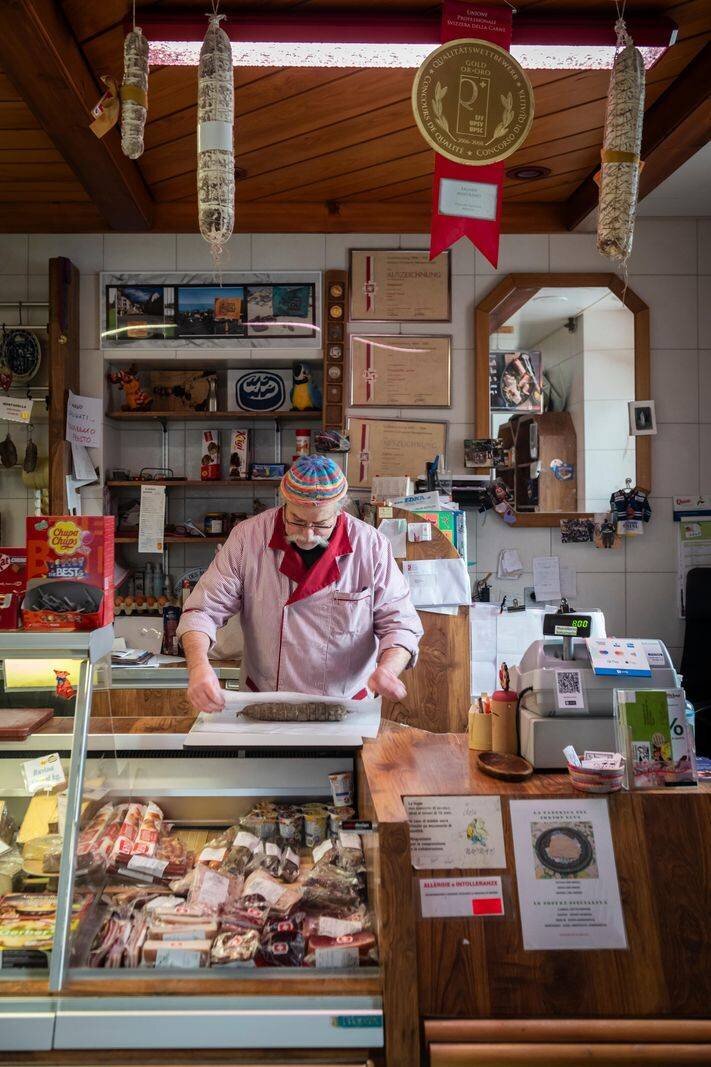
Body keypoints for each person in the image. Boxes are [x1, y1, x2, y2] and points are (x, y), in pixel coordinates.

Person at [177, 455, 424, 713]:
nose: (307, 535)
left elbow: (400, 624)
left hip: (344, 708)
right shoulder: (247, 538)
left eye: (320, 524)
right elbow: (202, 611)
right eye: (296, 520)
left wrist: (388, 669)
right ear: (284, 503)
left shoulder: (371, 546)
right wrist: (199, 667)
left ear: (340, 511)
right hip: (265, 705)